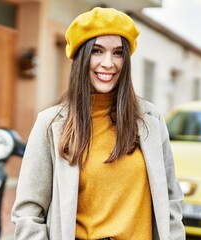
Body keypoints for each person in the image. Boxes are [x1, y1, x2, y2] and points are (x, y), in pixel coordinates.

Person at [11, 6, 185, 240]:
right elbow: (28, 212)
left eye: (117, 53)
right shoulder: (51, 124)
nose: (108, 63)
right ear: (82, 57)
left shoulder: (150, 120)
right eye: (97, 51)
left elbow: (171, 200)